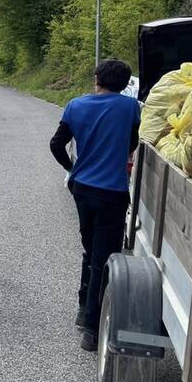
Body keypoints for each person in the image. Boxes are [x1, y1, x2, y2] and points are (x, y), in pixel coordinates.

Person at [49, 59, 140, 352]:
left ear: (97, 78)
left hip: (83, 189)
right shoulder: (130, 108)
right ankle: (91, 326)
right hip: (112, 191)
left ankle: (82, 306)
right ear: (126, 84)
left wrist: (72, 168)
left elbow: (56, 144)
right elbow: (132, 143)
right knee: (104, 257)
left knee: (90, 250)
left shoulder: (75, 105)